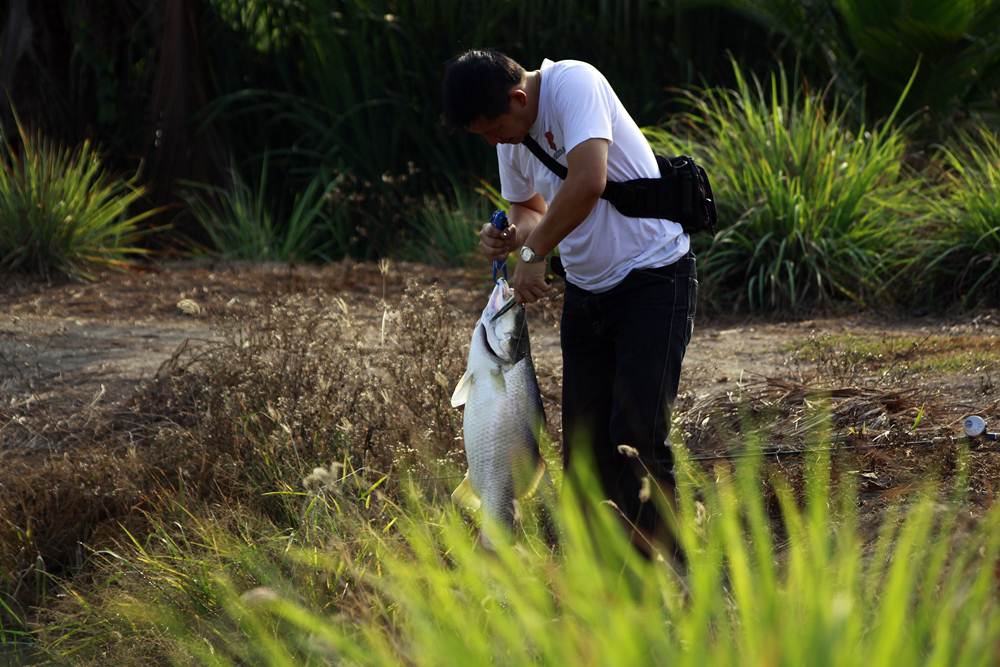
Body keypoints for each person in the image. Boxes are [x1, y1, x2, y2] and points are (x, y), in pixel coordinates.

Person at [441, 49, 697, 559]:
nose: (494, 143)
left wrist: (535, 253)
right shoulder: (511, 132)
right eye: (485, 137)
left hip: (653, 277)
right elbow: (528, 208)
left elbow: (587, 180)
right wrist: (517, 236)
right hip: (587, 292)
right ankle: (605, 583)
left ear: (518, 98)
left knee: (636, 435)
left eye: (494, 130)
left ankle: (675, 576)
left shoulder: (574, 84)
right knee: (584, 448)